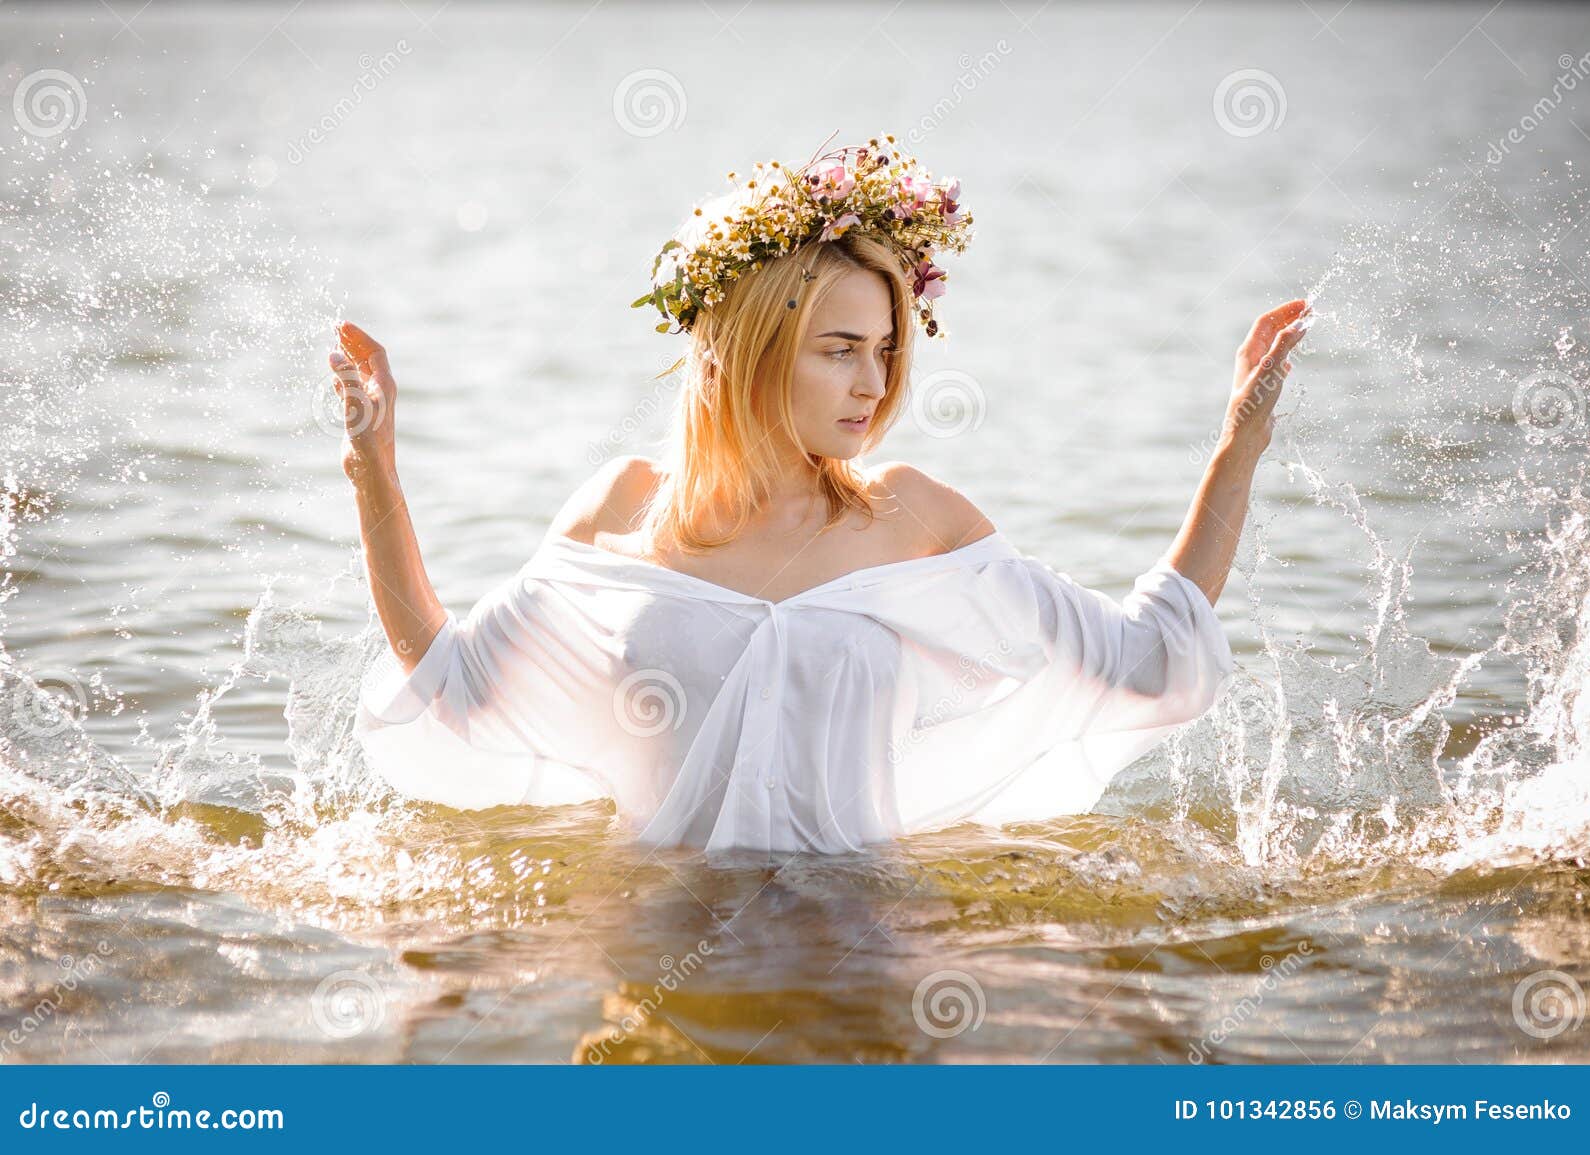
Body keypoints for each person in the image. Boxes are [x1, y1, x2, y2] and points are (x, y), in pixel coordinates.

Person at [333, 135, 1308, 855]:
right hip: (657, 934)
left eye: (886, 350)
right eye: (840, 350)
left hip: (862, 941)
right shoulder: (621, 508)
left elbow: (1140, 658)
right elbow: (451, 678)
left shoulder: (911, 516)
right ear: (749, 349)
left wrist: (1240, 440)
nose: (873, 384)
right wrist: (376, 470)